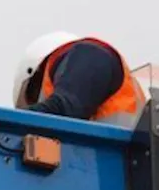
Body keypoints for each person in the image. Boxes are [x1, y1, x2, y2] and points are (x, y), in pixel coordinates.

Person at [11, 31, 146, 128]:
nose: (41, 101)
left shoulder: (88, 53)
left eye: (34, 97)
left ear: (36, 74)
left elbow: (65, 107)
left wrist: (13, 122)